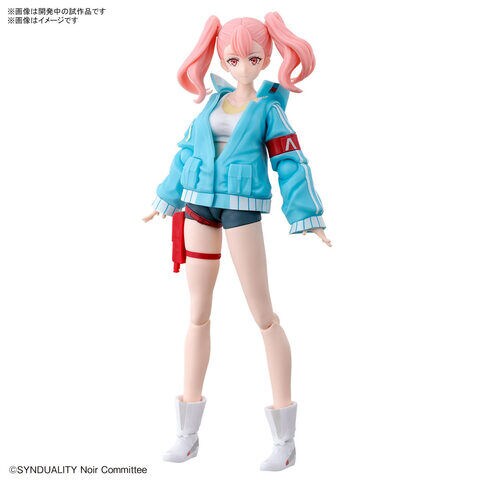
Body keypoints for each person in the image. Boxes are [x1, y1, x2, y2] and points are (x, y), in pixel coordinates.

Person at [143, 12, 332, 471]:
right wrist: (165, 197)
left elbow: (291, 161)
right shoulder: (211, 102)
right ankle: (187, 434)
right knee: (197, 314)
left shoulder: (269, 109)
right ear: (222, 60)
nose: (243, 66)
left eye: (253, 58)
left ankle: (284, 440)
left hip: (241, 208)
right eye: (233, 59)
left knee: (263, 315)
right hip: (197, 207)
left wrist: (307, 215)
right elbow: (186, 152)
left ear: (265, 59)